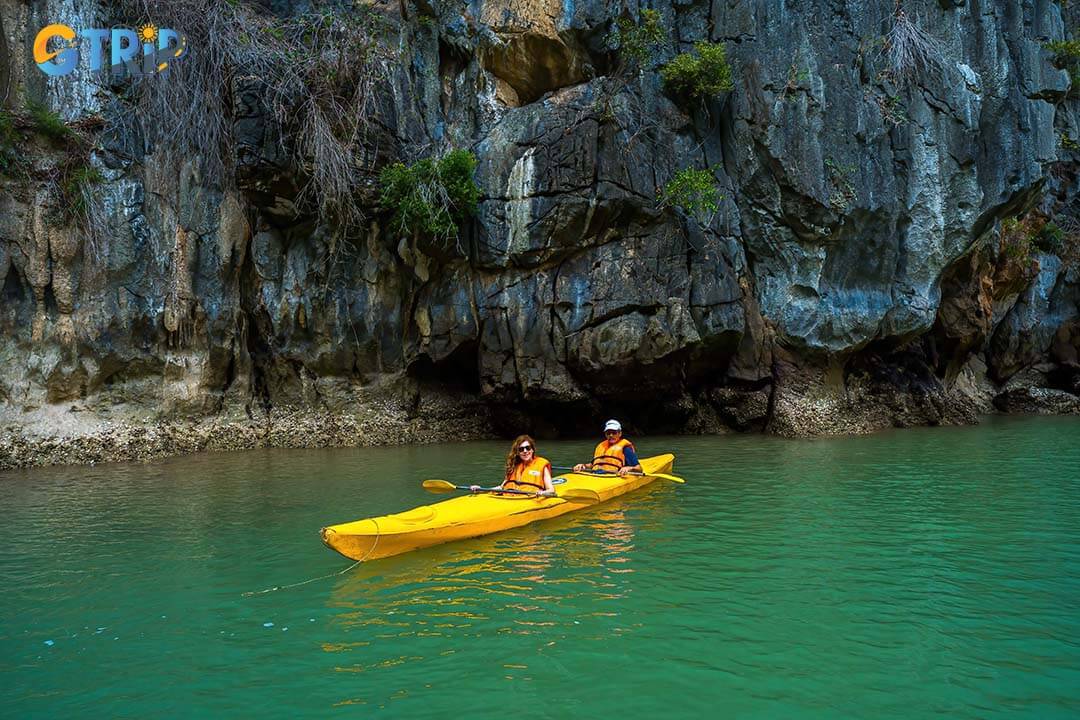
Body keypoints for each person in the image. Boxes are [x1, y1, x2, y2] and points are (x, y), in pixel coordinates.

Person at [471, 435, 555, 497]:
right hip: (508, 497)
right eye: (521, 449)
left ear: (532, 450)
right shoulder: (514, 466)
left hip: (530, 498)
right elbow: (502, 487)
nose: (525, 451)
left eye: (528, 448)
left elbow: (551, 490)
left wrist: (542, 493)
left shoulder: (541, 465)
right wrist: (481, 490)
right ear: (518, 452)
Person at [573, 419, 642, 476]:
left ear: (620, 433)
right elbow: (593, 464)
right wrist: (583, 466)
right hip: (595, 475)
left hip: (612, 477)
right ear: (605, 434)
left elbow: (639, 469)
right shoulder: (601, 446)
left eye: (614, 433)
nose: (611, 435)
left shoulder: (625, 449)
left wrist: (629, 468)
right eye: (608, 433)